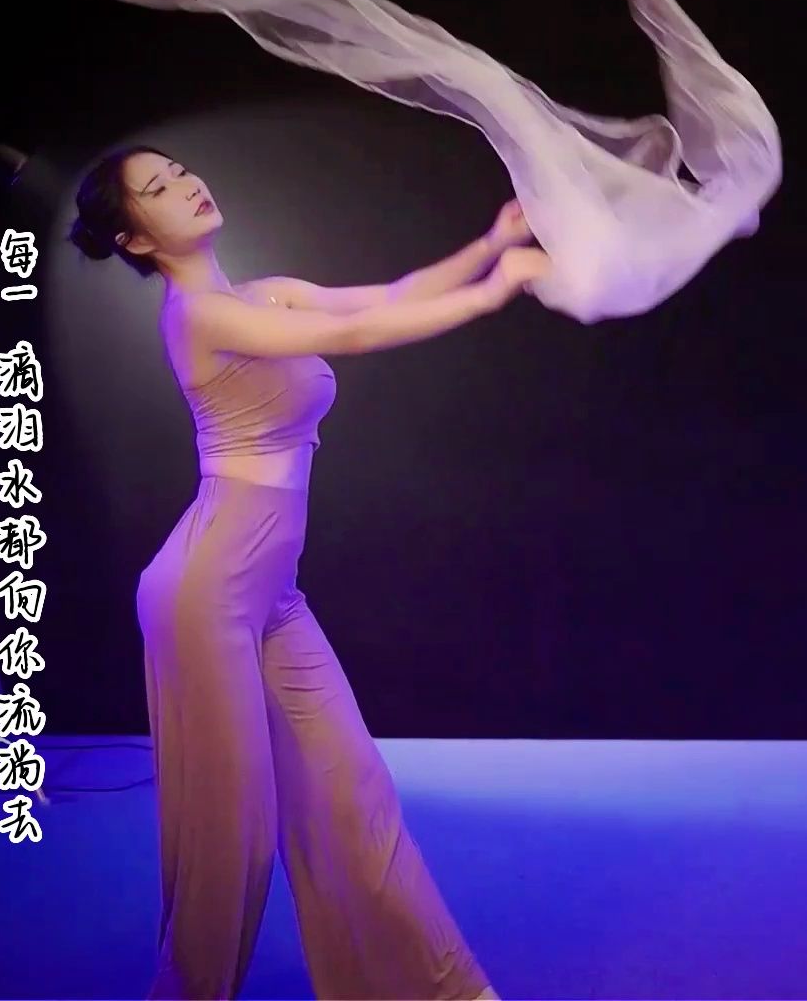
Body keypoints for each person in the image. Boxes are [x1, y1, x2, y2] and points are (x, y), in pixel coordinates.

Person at [67, 144, 538, 1000]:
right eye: (158, 189)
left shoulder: (265, 293)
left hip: (272, 596)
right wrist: (494, 291)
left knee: (351, 795)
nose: (187, 185)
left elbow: (386, 298)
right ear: (136, 240)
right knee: (232, 841)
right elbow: (350, 336)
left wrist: (489, 246)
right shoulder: (197, 316)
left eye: (180, 171)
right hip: (204, 595)